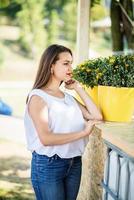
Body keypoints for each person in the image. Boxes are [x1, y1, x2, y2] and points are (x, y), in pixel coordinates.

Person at [24, 44, 103, 200]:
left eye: (71, 63)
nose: (70, 67)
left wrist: (78, 88)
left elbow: (96, 116)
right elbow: (46, 139)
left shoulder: (68, 97)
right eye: (65, 63)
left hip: (74, 163)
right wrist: (83, 133)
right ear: (51, 66)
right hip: (48, 165)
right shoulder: (38, 98)